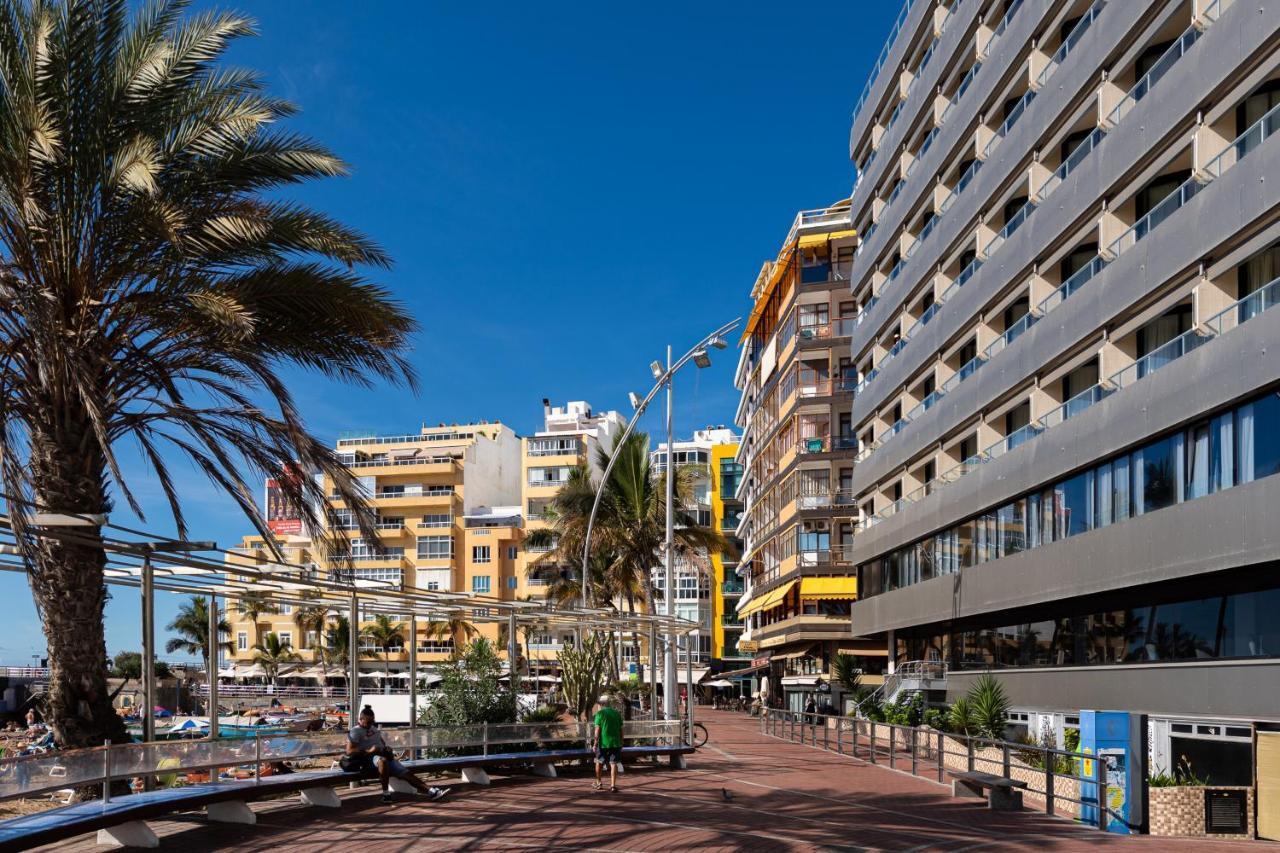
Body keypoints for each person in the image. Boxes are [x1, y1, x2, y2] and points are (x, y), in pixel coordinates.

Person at [347, 705, 447, 804]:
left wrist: (387, 749)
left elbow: (382, 743)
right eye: (369, 722)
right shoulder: (355, 731)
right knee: (383, 761)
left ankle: (431, 791)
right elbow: (349, 751)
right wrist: (370, 751)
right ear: (361, 719)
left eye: (373, 721)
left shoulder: (374, 729)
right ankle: (386, 794)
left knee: (405, 773)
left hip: (382, 756)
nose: (371, 724)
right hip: (368, 760)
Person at [590, 694, 624, 793]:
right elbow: (621, 730)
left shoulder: (599, 714)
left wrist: (595, 743)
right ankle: (613, 785)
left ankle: (599, 783)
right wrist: (622, 742)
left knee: (599, 762)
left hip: (603, 744)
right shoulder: (617, 714)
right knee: (613, 764)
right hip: (615, 743)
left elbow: (597, 730)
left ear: (602, 704)